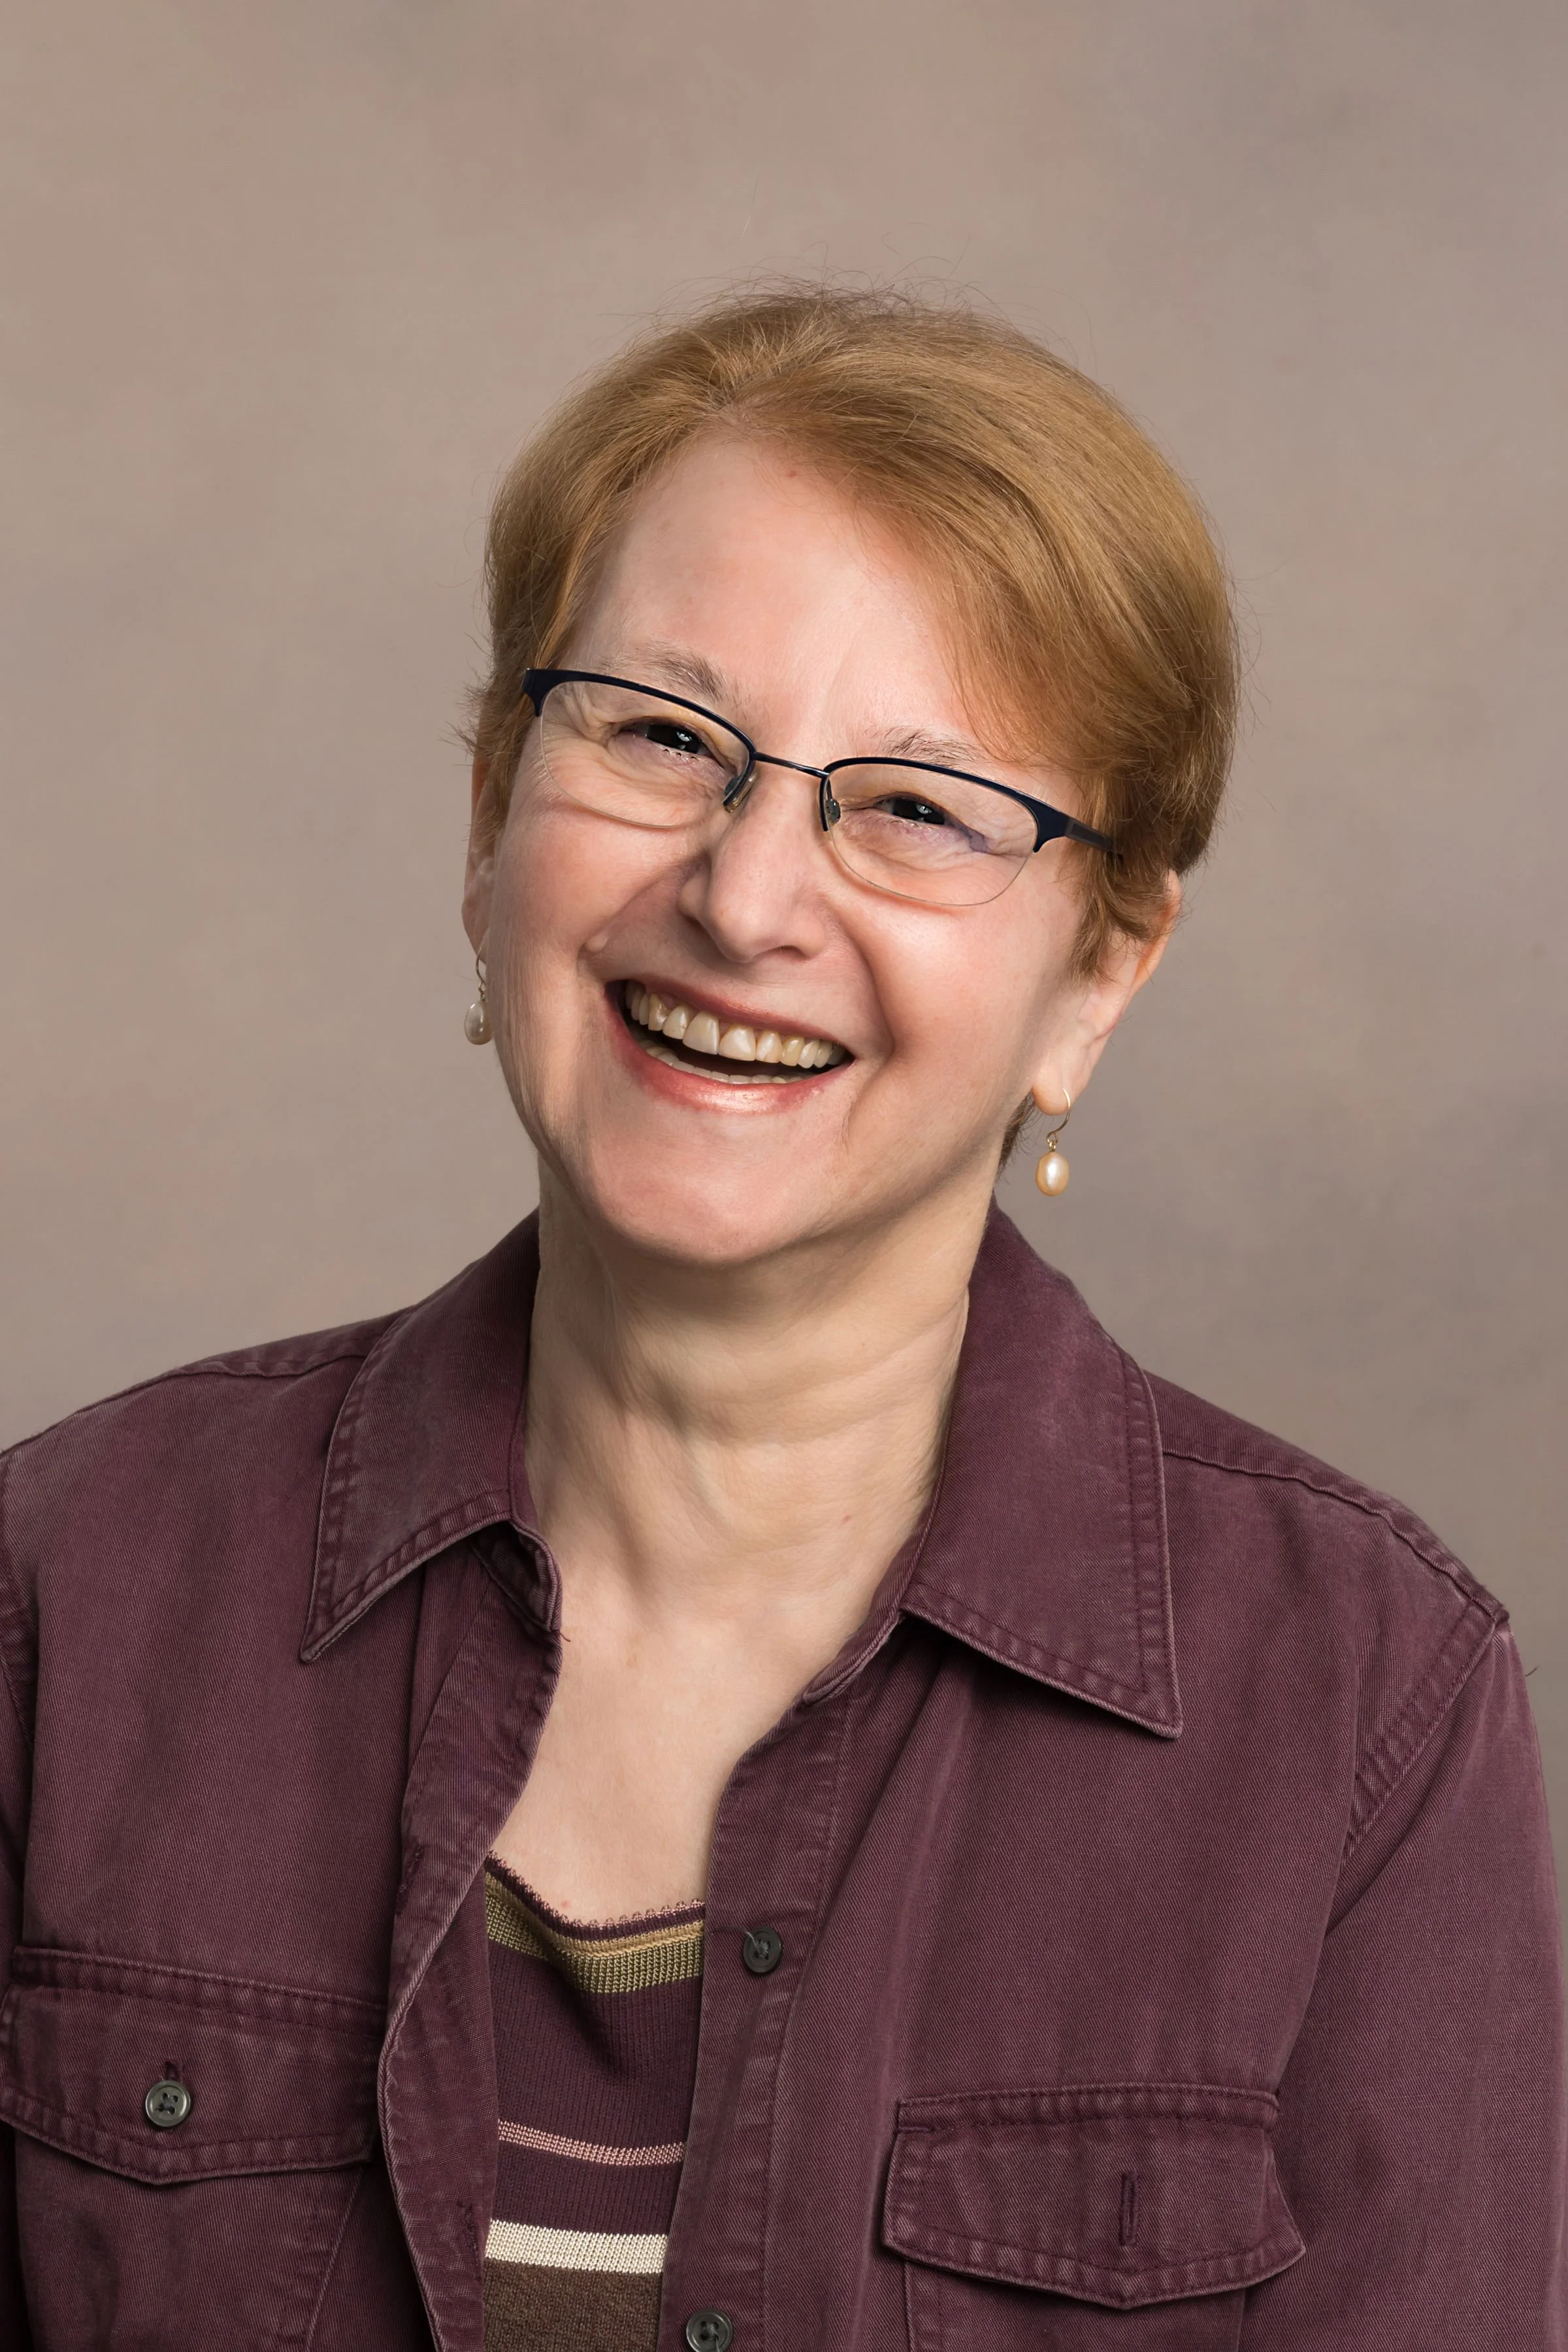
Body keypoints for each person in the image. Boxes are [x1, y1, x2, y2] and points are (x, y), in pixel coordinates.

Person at [0, 286, 1561, 2352]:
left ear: (1101, 970)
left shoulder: (1365, 1710)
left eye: (919, 805)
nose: (747, 896)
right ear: (488, 819)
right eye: (661, 737)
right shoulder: (58, 1591)